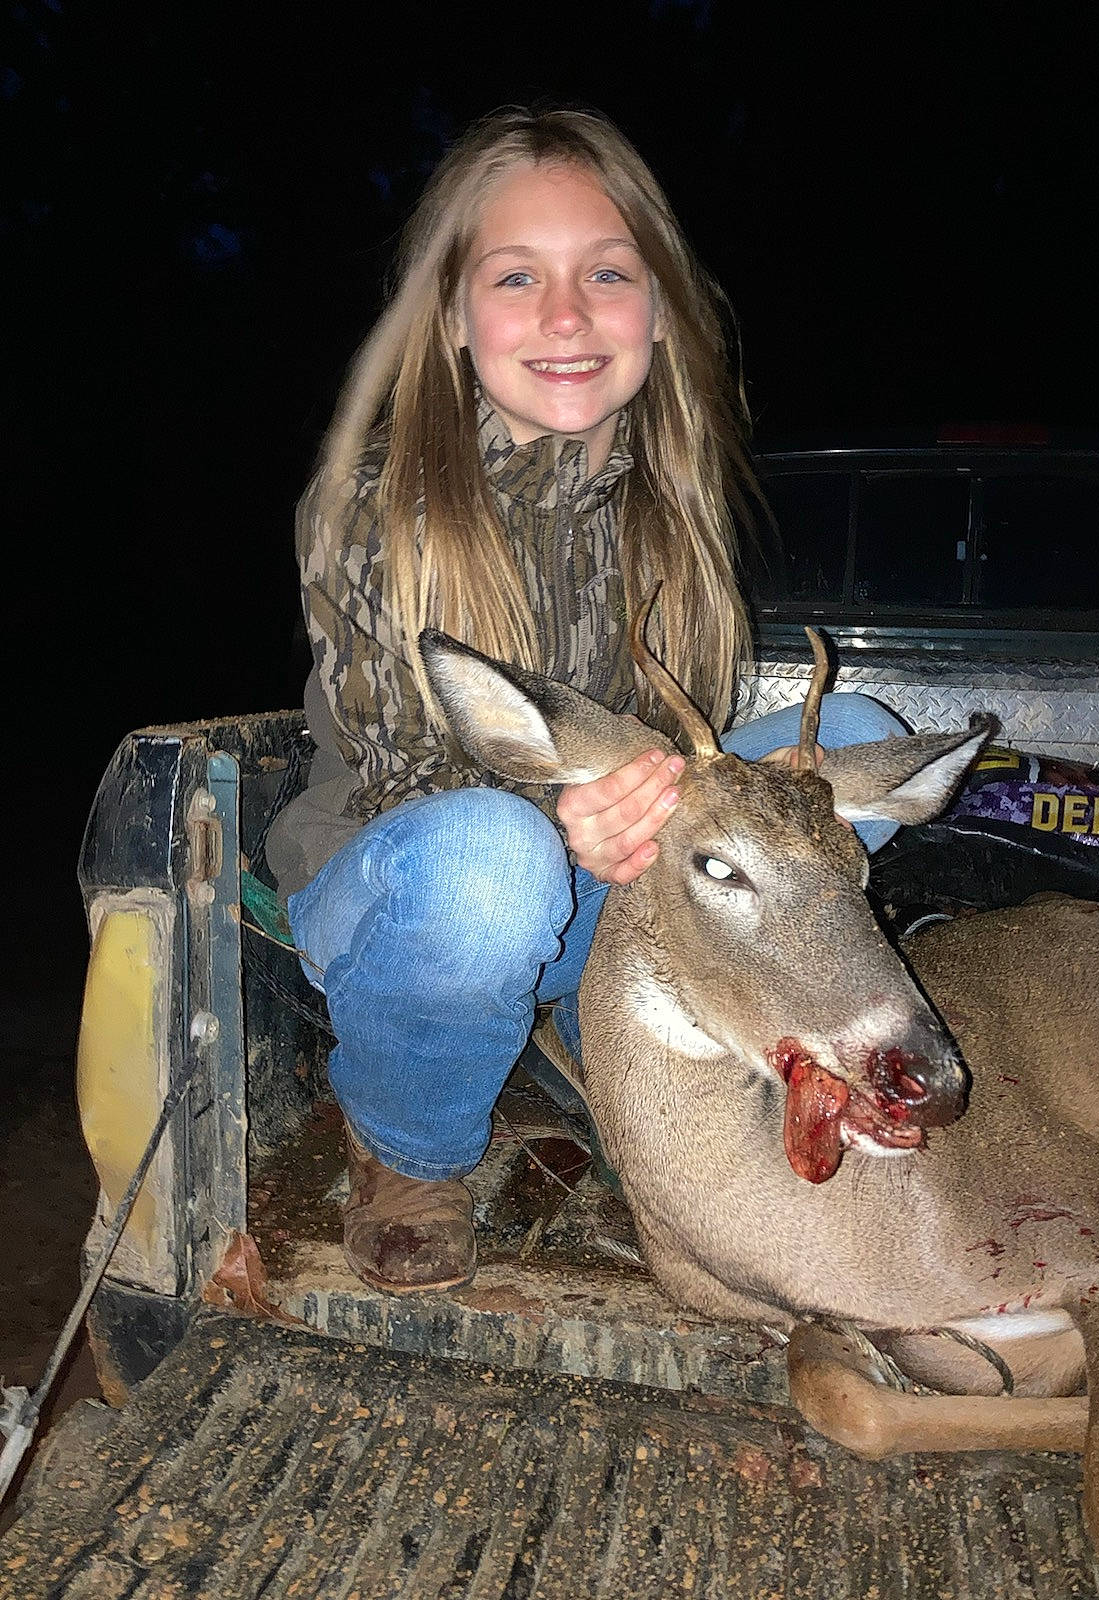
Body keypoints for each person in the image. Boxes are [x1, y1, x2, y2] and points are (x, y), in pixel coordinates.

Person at [266, 105, 906, 1296]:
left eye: (608, 274)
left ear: (659, 311)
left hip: (599, 869)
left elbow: (697, 747)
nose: (567, 316)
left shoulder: (671, 509)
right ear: (454, 318)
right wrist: (573, 817)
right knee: (492, 859)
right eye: (519, 277)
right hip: (415, 895)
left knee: (861, 746)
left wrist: (658, 811)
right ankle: (409, 1143)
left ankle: (688, 1038)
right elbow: (408, 778)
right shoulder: (374, 508)